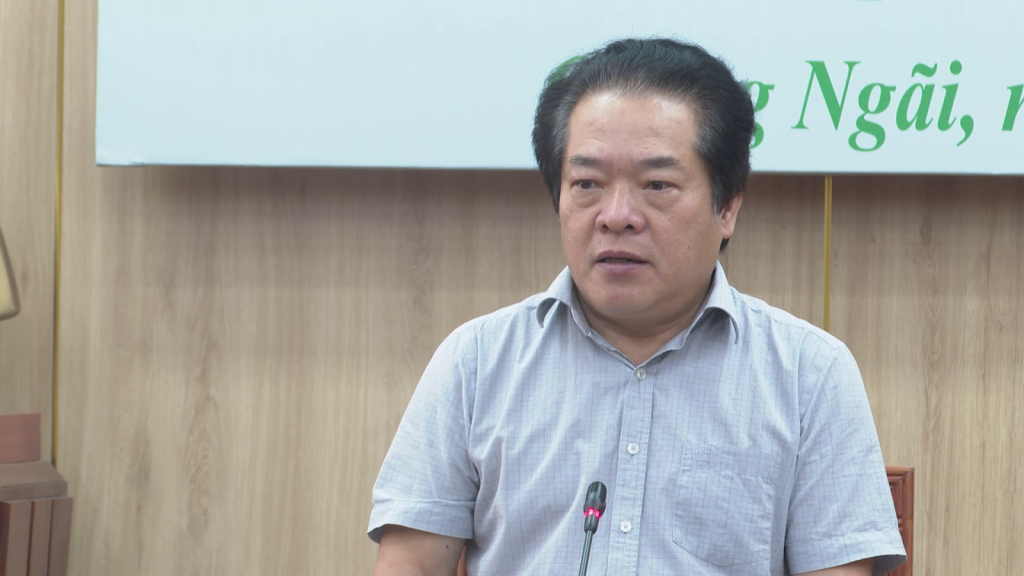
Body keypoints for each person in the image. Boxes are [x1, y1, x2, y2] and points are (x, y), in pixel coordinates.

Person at [368, 38, 906, 576]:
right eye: (587, 183)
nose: (617, 215)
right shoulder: (477, 363)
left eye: (657, 185)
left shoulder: (809, 376)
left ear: (727, 207)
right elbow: (409, 566)